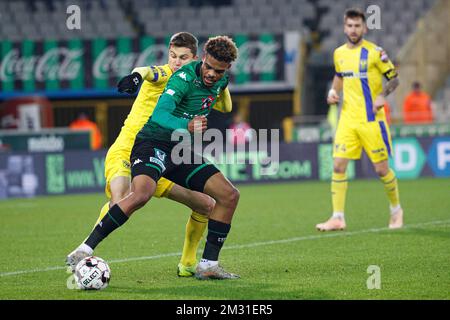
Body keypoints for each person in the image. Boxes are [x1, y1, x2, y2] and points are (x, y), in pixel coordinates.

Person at [67, 35, 239, 280]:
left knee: (228, 195)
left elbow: (224, 103)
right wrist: (185, 125)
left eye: (218, 70)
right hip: (151, 142)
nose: (211, 73)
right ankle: (84, 249)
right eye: (208, 66)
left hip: (178, 151)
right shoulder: (182, 78)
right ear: (201, 58)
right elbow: (159, 114)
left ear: (227, 69)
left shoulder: (221, 81)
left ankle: (208, 264)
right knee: (140, 194)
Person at [316, 8, 403, 231]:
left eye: (357, 26)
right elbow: (339, 76)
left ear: (364, 27)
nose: (353, 30)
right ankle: (337, 217)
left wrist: (382, 96)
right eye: (350, 26)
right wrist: (332, 92)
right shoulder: (339, 53)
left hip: (372, 120)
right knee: (338, 165)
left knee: (382, 170)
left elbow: (394, 79)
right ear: (344, 27)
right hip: (347, 119)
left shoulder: (375, 52)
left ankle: (396, 209)